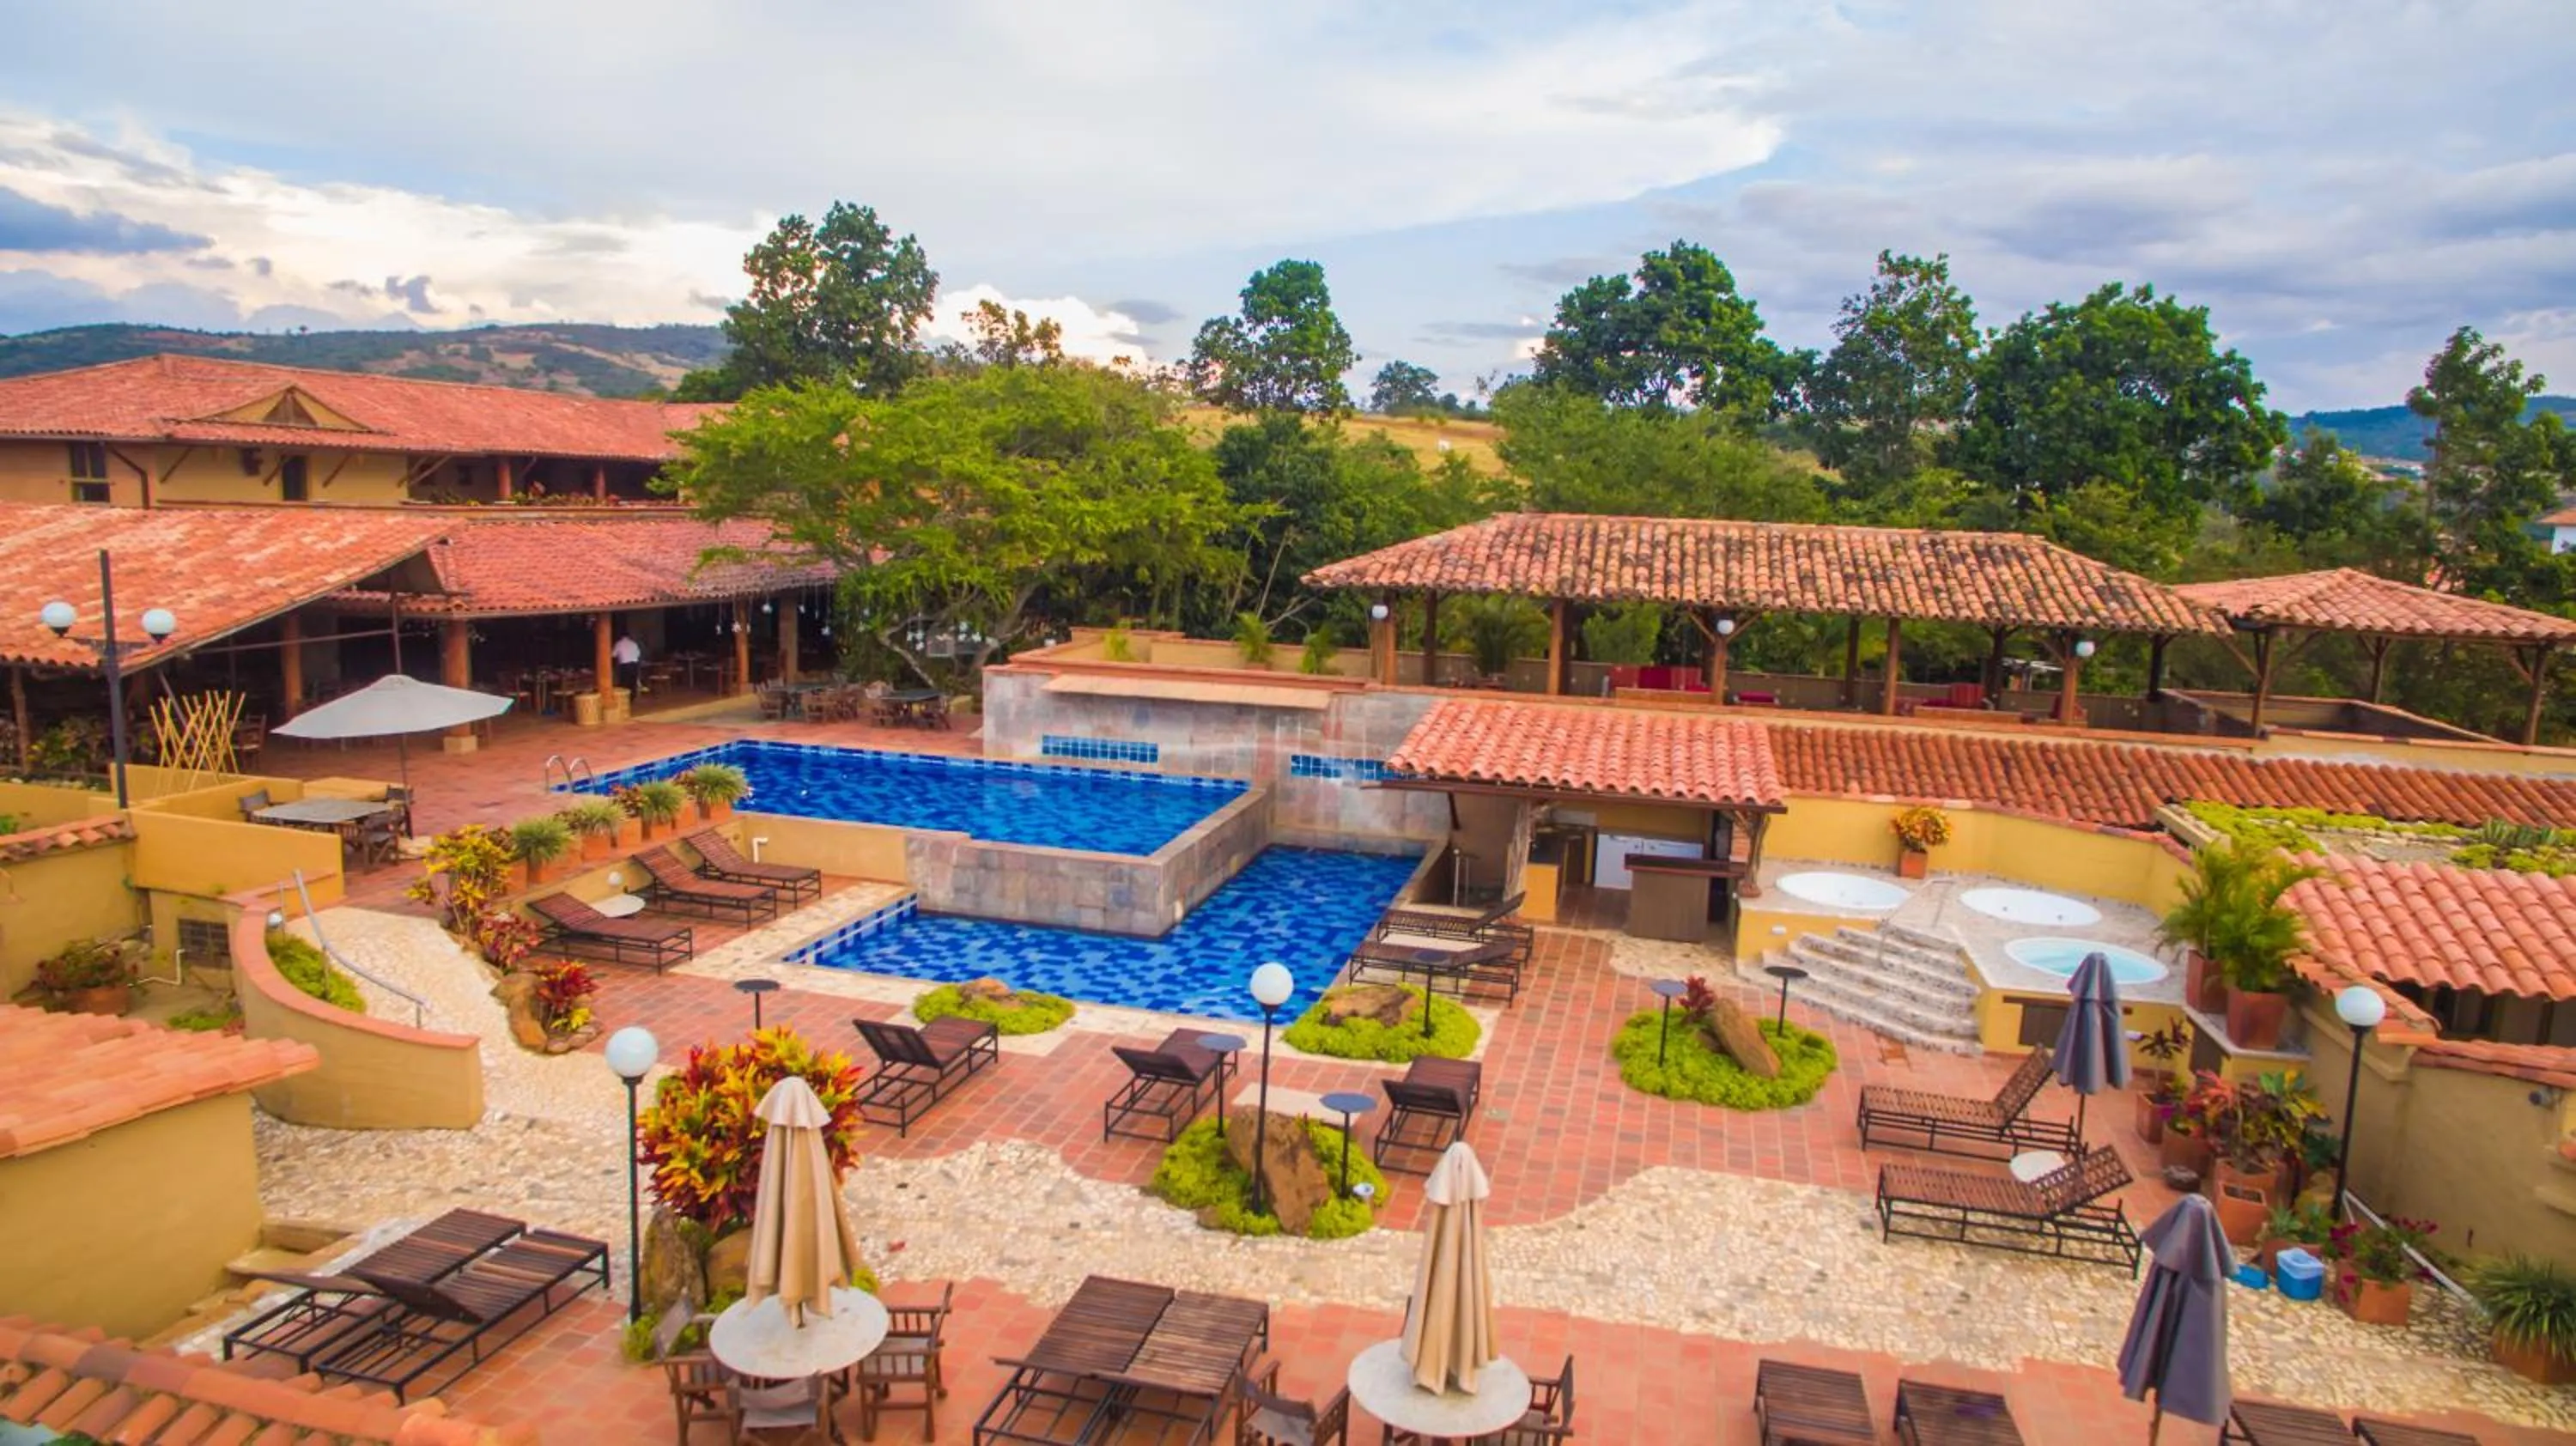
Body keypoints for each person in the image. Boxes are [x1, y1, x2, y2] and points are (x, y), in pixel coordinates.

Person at [613, 631, 643, 695]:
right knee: (632, 682)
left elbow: (613, 655)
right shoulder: (633, 643)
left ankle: (625, 697)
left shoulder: (619, 644)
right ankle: (633, 696)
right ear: (629, 636)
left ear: (621, 637)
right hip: (634, 665)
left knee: (624, 682)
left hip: (624, 665)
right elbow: (638, 654)